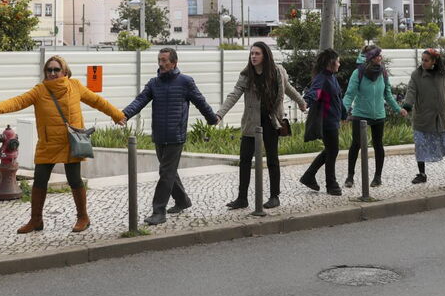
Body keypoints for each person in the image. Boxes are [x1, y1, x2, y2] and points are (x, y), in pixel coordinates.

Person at [0, 55, 124, 233]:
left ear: (65, 71)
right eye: (49, 70)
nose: (53, 73)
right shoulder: (39, 90)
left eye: (56, 69)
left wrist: (116, 114)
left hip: (71, 142)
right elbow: (17, 101)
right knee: (39, 181)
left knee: (74, 180)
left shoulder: (75, 86)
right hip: (48, 143)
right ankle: (36, 220)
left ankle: (83, 217)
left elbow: (97, 101)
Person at [120, 48, 218, 225]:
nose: (161, 64)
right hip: (159, 135)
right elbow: (140, 101)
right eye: (159, 60)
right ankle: (182, 201)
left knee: (165, 172)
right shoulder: (153, 83)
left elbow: (200, 101)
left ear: (174, 62)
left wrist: (212, 119)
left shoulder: (185, 82)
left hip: (175, 135)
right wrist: (125, 114)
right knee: (169, 172)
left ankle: (159, 211)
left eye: (165, 60)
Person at [217, 41, 306, 209]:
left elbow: (288, 88)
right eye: (251, 54)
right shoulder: (246, 75)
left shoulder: (277, 72)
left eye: (257, 53)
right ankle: (242, 198)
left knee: (272, 159)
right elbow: (234, 94)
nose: (253, 56)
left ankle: (274, 196)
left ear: (265, 55)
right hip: (252, 123)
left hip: (271, 121)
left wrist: (301, 102)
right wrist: (220, 114)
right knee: (244, 160)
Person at [342, 45, 403, 187]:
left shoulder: (383, 72)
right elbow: (349, 94)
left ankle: (377, 177)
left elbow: (387, 94)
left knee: (378, 145)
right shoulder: (358, 73)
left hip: (378, 115)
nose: (380, 58)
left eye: (380, 55)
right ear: (369, 58)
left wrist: (398, 109)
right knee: (356, 144)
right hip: (360, 114)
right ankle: (350, 177)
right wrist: (342, 112)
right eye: (377, 56)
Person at [404, 48, 445, 184]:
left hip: (441, 118)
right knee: (420, 145)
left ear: (434, 61)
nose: (423, 63)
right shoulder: (417, 75)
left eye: (426, 60)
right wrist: (406, 107)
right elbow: (411, 92)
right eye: (422, 60)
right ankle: (421, 174)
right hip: (422, 118)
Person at [299, 49, 348, 195]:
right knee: (332, 150)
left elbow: (337, 98)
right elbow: (315, 91)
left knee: (331, 150)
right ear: (330, 62)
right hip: (326, 120)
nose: (339, 64)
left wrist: (344, 114)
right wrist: (306, 101)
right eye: (338, 61)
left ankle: (309, 176)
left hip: (333, 119)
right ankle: (331, 185)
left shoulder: (331, 77)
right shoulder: (322, 78)